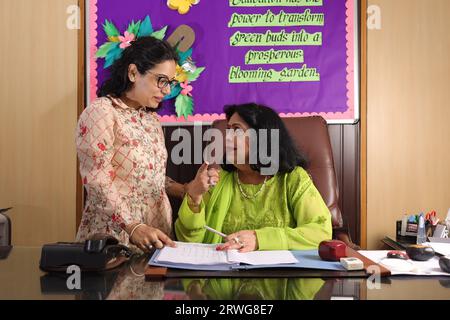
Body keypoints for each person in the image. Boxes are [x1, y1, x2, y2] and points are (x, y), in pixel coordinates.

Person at [76, 36, 220, 252]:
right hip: (115, 238)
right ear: (133, 73)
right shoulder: (102, 112)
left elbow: (149, 177)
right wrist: (133, 227)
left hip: (155, 235)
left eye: (170, 83)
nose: (167, 90)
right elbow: (97, 179)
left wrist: (185, 189)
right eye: (161, 80)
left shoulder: (150, 119)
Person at [176, 103, 332, 251]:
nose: (228, 138)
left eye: (237, 130)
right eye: (228, 130)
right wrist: (194, 197)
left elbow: (321, 233)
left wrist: (259, 239)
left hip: (282, 275)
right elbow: (189, 243)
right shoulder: (217, 179)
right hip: (224, 274)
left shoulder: (293, 178)